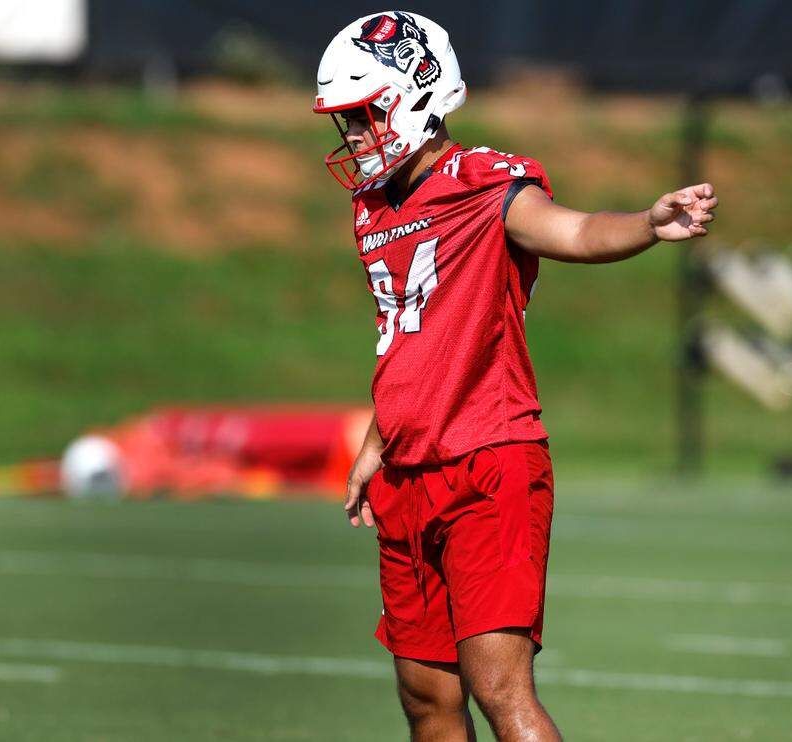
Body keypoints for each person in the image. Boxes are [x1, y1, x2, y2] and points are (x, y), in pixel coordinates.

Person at [313, 12, 717, 742]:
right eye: (345, 120)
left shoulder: (483, 183)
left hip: (487, 460)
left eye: (365, 114)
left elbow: (574, 231)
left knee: (500, 690)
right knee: (424, 699)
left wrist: (646, 224)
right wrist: (379, 440)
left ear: (416, 94)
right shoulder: (372, 207)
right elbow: (410, 336)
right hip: (410, 470)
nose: (354, 135)